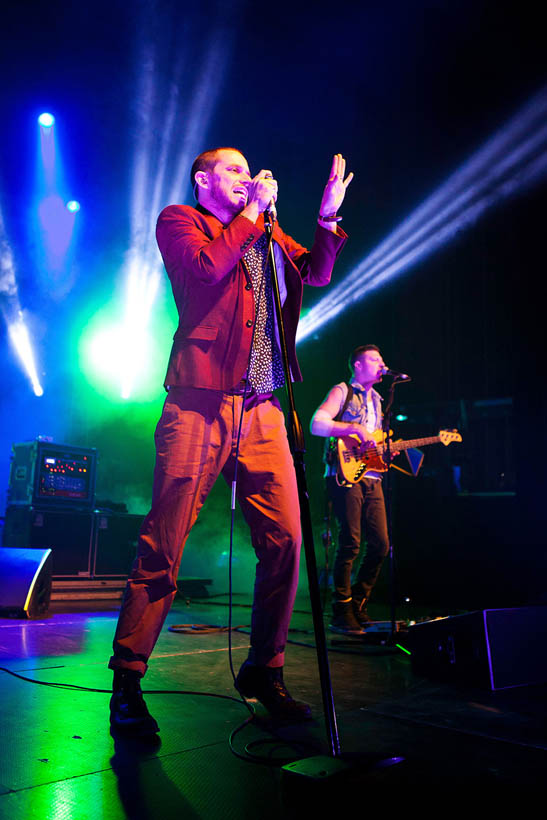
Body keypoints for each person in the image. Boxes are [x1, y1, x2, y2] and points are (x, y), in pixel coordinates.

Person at [109, 147, 352, 734]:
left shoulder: (266, 229)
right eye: (234, 170)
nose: (247, 178)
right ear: (204, 180)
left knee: (287, 540)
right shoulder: (181, 220)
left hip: (265, 406)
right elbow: (206, 270)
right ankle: (127, 679)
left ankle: (264, 669)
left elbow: (314, 272)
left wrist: (324, 221)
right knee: (165, 538)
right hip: (200, 400)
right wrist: (254, 216)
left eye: (250, 171)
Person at [310, 345, 391, 635]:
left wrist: (383, 452)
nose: (382, 363)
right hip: (343, 476)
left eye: (382, 359)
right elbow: (317, 424)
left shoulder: (379, 400)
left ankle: (358, 602)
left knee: (381, 544)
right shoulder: (342, 390)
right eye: (374, 359)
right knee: (350, 543)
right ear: (357, 365)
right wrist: (353, 430)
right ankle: (340, 610)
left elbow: (371, 444)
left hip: (372, 477)